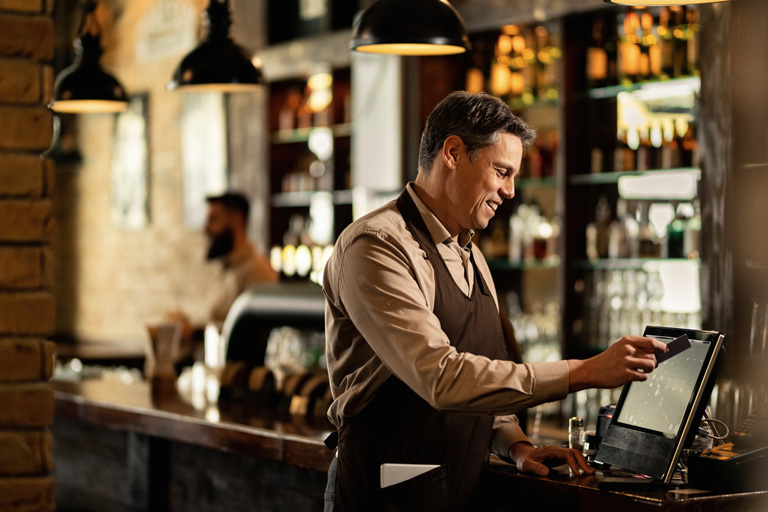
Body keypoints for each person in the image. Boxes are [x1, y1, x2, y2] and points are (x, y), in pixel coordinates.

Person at [321, 91, 668, 512]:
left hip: (464, 488)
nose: (510, 191)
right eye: (502, 171)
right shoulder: (376, 245)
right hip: (385, 493)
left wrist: (516, 445)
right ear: (452, 152)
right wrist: (585, 371)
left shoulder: (472, 255)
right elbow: (441, 377)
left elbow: (481, 370)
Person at [169, 192, 277, 349]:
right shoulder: (227, 269)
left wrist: (194, 333)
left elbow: (251, 335)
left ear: (236, 220)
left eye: (213, 220)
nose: (205, 229)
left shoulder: (257, 271)